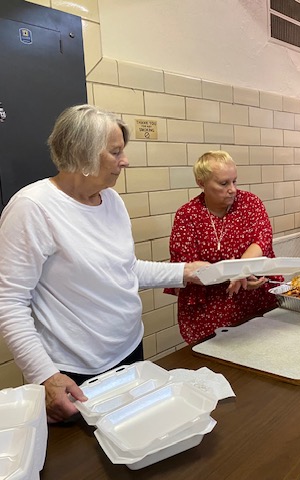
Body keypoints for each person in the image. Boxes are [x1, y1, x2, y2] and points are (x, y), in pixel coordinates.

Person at [0, 105, 208, 422]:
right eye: (115, 152)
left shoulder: (111, 200)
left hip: (128, 353)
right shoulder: (32, 208)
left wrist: (185, 272)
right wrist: (45, 376)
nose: (125, 161)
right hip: (72, 370)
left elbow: (124, 269)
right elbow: (10, 301)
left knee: (133, 436)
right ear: (83, 154)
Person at [166, 150, 283, 345]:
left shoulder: (250, 203)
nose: (233, 189)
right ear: (201, 183)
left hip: (252, 299)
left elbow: (262, 239)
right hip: (209, 307)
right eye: (223, 183)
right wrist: (235, 274)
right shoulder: (187, 216)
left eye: (234, 181)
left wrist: (242, 271)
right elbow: (187, 264)